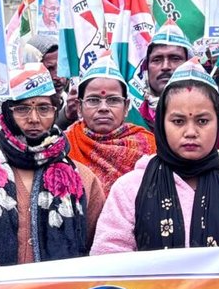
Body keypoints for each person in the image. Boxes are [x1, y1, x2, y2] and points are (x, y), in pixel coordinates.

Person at [92, 60, 219, 254]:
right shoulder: (130, 188)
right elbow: (107, 260)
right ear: (161, 123)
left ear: (218, 122)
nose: (191, 132)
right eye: (178, 121)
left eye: (202, 121)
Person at [0, 65, 104, 267]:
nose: (34, 119)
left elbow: (99, 250)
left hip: (64, 287)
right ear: (5, 112)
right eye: (22, 109)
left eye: (44, 108)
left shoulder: (83, 179)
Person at [66, 52, 155, 195]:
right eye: (93, 100)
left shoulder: (148, 145)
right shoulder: (65, 145)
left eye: (113, 100)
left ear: (126, 107)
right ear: (79, 107)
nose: (103, 108)